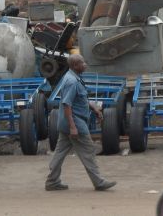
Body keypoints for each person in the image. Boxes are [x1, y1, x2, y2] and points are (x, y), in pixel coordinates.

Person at [46, 54, 116, 192]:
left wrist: (93, 107)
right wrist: (73, 127)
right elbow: (67, 104)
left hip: (66, 123)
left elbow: (80, 99)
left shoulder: (73, 78)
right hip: (75, 123)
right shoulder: (72, 81)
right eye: (82, 63)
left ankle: (52, 181)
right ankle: (98, 182)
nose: (85, 65)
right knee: (88, 150)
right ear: (75, 66)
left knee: (59, 153)